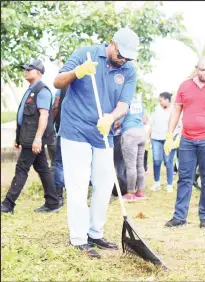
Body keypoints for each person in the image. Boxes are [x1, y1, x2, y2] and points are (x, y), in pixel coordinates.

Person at [53, 27, 139, 258]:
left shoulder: (129, 70)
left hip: (103, 132)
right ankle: (79, 238)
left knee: (104, 184)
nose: (124, 60)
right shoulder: (86, 54)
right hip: (76, 129)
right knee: (79, 185)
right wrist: (77, 72)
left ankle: (95, 232)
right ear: (111, 44)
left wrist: (111, 117)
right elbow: (57, 82)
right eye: (121, 54)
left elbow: (124, 104)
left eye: (129, 57)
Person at [164, 56, 205, 229]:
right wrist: (169, 135)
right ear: (196, 68)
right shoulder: (185, 85)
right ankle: (179, 217)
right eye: (202, 69)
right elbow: (176, 111)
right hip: (187, 139)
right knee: (184, 177)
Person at [1, 60, 59, 214]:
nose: (25, 71)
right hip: (27, 137)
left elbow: (44, 116)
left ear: (38, 72)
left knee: (21, 169)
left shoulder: (43, 91)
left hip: (34, 139)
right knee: (43, 168)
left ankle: (8, 204)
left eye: (29, 69)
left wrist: (38, 139)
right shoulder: (30, 90)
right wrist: (18, 137)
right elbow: (25, 117)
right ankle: (53, 202)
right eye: (25, 68)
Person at [150, 92, 181, 193]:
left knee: (168, 161)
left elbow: (179, 126)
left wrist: (174, 139)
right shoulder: (156, 109)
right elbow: (151, 123)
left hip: (169, 139)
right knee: (156, 160)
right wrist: (148, 137)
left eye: (161, 100)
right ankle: (157, 183)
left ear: (167, 100)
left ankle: (169, 184)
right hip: (156, 138)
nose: (159, 102)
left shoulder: (175, 110)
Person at [120, 95, 146, 201]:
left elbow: (118, 119)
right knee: (140, 165)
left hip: (130, 133)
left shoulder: (124, 101)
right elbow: (144, 119)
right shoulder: (140, 103)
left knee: (130, 166)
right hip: (141, 132)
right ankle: (140, 192)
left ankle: (130, 193)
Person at [52, 87, 68, 206]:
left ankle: (59, 196)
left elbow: (56, 107)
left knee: (59, 163)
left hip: (64, 131)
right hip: (83, 133)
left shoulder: (62, 89)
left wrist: (51, 124)